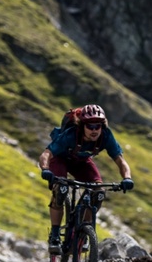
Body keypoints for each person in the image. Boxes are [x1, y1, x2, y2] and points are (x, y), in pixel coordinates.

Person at [38, 104, 133, 253]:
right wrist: (45, 169)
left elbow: (120, 160)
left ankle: (81, 231)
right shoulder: (70, 135)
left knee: (98, 192)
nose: (94, 130)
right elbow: (47, 154)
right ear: (82, 126)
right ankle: (55, 235)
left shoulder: (106, 136)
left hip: (82, 163)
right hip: (60, 160)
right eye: (90, 126)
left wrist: (127, 178)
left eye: (98, 126)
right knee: (60, 190)